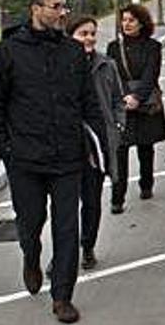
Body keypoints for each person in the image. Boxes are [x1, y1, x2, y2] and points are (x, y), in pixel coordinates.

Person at [0, 0, 107, 323]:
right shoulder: (8, 53)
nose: (62, 12)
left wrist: (99, 150)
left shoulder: (72, 52)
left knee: (68, 227)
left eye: (64, 7)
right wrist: (4, 149)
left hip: (68, 157)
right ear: (36, 9)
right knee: (31, 222)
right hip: (25, 159)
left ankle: (62, 296)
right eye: (56, 7)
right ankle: (30, 255)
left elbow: (89, 104)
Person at [68, 16, 126, 269]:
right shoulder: (62, 65)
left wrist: (118, 124)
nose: (90, 38)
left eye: (92, 33)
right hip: (67, 143)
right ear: (70, 37)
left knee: (92, 200)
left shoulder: (107, 65)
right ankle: (63, 254)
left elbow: (117, 99)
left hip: (97, 144)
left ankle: (87, 246)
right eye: (83, 33)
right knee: (65, 205)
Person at [107, 4, 165, 213]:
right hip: (122, 106)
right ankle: (117, 198)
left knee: (145, 148)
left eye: (131, 20)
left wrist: (137, 97)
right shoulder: (114, 47)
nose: (126, 24)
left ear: (141, 23)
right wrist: (124, 97)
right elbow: (113, 75)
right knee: (120, 150)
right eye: (123, 20)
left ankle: (146, 184)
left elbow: (151, 75)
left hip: (146, 105)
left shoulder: (153, 47)